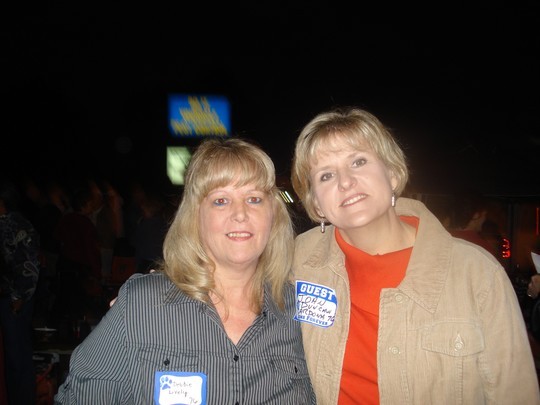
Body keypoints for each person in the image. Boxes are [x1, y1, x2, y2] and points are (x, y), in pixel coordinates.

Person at [290, 106, 540, 404]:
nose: (345, 182)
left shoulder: (476, 273)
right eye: (326, 175)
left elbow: (516, 394)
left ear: (393, 174)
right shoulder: (297, 260)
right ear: (316, 205)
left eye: (358, 161)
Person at [54, 138, 315, 404]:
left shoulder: (302, 314)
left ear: (273, 215)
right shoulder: (141, 305)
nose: (240, 214)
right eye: (221, 200)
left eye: (254, 199)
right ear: (195, 217)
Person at [0, 180, 41, 405]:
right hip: (8, 296)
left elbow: (28, 264)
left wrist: (19, 297)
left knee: (17, 355)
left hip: (13, 299)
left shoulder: (16, 225)